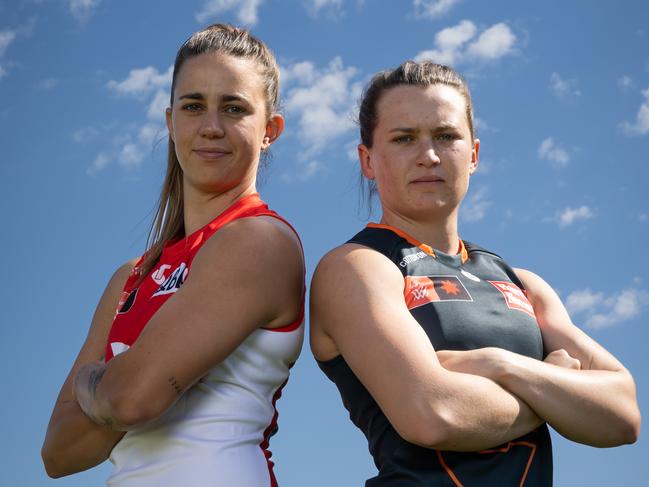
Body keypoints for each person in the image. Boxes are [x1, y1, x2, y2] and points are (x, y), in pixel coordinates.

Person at [310, 60, 640, 486]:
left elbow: (623, 416)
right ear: (368, 160)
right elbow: (433, 414)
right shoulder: (357, 267)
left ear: (474, 155)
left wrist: (500, 365)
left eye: (446, 136)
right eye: (404, 138)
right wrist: (559, 392)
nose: (428, 155)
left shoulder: (523, 284)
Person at [42, 24, 304, 487]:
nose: (210, 126)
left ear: (270, 130)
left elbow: (132, 400)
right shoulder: (130, 278)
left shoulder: (260, 241)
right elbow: (59, 453)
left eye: (234, 108)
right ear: (170, 121)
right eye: (193, 106)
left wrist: (99, 379)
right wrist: (124, 380)